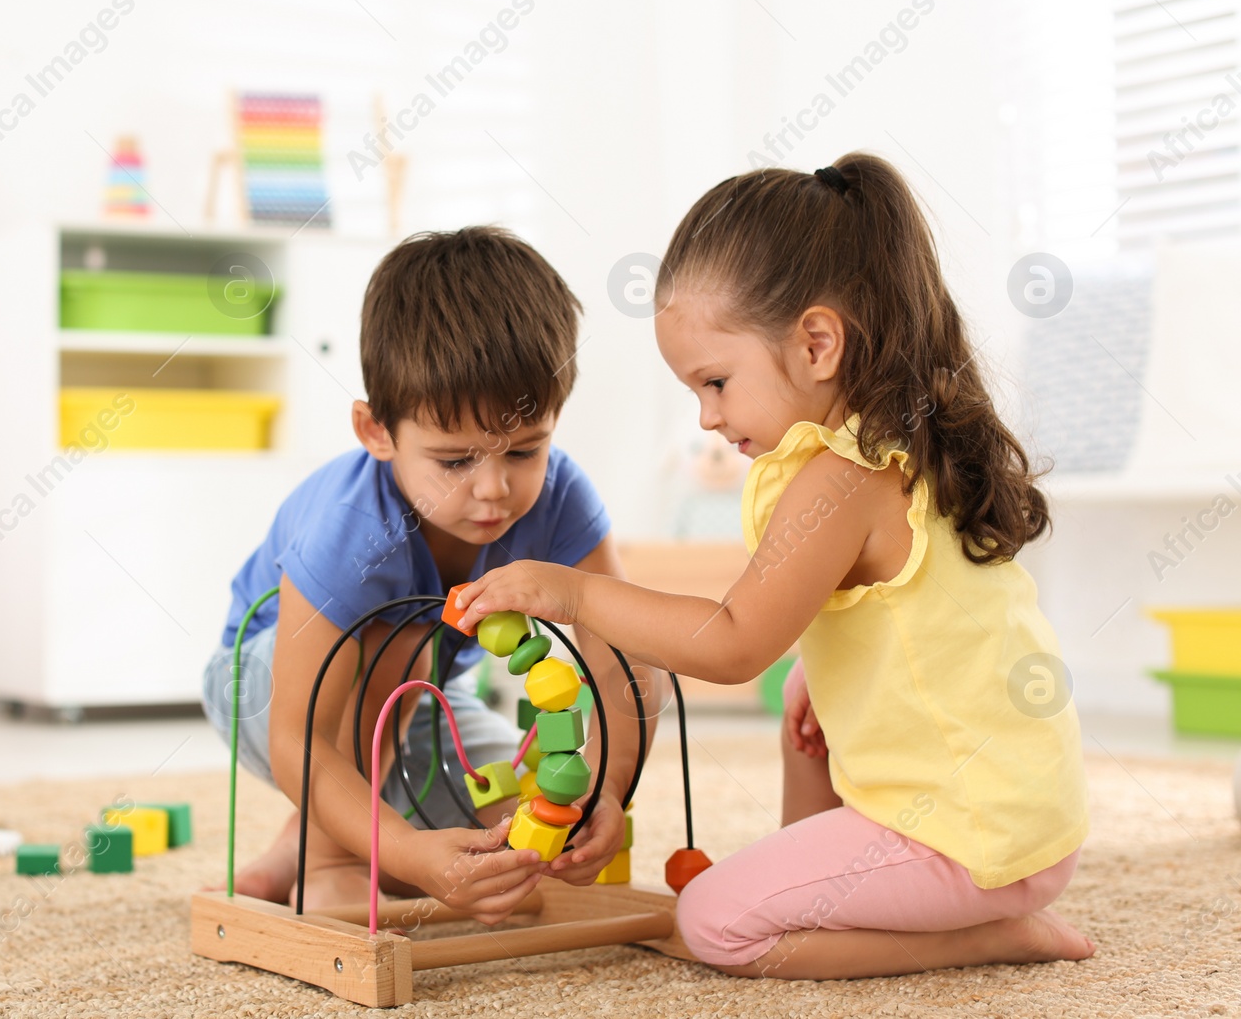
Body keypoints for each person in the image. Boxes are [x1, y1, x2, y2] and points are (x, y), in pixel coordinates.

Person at [456, 154, 1093, 975]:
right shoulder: (893, 440)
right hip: (1022, 817)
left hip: (972, 838)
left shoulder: (840, 476)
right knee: (806, 707)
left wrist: (575, 593)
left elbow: (730, 644)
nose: (708, 417)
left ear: (817, 343)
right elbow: (926, 625)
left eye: (716, 382)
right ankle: (827, 882)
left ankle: (986, 936)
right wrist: (820, 673)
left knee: (712, 922)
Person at [201, 226, 658, 923]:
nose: (493, 490)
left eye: (525, 452)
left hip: (417, 702)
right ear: (376, 431)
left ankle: (299, 843)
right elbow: (301, 739)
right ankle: (329, 858)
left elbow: (623, 654)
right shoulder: (353, 529)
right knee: (400, 643)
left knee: (521, 818)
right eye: (454, 461)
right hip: (267, 690)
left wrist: (604, 787)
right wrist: (411, 859)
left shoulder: (563, 496)